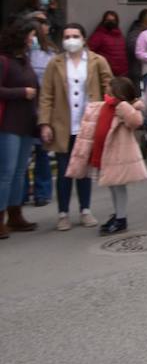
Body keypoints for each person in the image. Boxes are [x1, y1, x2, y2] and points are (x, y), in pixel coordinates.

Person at [38, 24, 113, 230]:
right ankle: (63, 213)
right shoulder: (55, 63)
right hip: (63, 125)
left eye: (75, 36)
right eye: (67, 36)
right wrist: (45, 123)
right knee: (64, 170)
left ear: (84, 39)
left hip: (88, 123)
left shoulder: (97, 61)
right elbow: (46, 95)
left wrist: (108, 112)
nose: (71, 40)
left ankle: (85, 210)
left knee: (84, 170)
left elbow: (109, 86)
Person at [63, 74, 146, 235]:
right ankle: (117, 214)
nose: (106, 89)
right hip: (106, 154)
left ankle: (121, 219)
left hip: (119, 156)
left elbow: (136, 121)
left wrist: (124, 105)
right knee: (112, 186)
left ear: (118, 91)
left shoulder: (123, 107)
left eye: (109, 87)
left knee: (118, 186)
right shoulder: (106, 106)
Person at [0, 19, 41, 237]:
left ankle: (15, 214)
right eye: (31, 35)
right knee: (5, 173)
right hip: (8, 124)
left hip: (26, 123)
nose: (33, 40)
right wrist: (22, 93)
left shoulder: (25, 60)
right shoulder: (4, 60)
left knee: (19, 172)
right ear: (22, 36)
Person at [23, 12, 57, 208]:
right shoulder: (20, 52)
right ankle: (22, 193)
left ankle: (41, 193)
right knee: (25, 154)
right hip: (24, 107)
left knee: (42, 151)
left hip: (42, 106)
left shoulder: (49, 52)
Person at [88, 11, 129, 78]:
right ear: (104, 21)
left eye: (113, 20)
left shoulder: (120, 35)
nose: (111, 22)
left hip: (122, 73)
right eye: (108, 20)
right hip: (107, 73)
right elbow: (89, 52)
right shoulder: (98, 35)